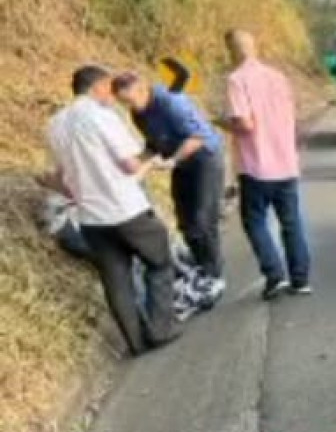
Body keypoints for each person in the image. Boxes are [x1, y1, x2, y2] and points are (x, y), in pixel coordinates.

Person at [39, 65, 179, 356]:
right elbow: (129, 165)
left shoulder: (55, 125)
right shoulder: (102, 117)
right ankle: (160, 329)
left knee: (116, 280)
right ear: (98, 87)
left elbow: (63, 179)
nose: (113, 95)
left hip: (91, 219)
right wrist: (152, 157)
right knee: (159, 261)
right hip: (125, 207)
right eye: (110, 88)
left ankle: (136, 342)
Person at [112, 72, 226, 304]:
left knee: (203, 219)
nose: (130, 106)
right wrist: (137, 163)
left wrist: (172, 160)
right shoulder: (137, 113)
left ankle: (213, 275)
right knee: (185, 221)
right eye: (123, 103)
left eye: (131, 100)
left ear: (142, 88)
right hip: (181, 162)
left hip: (204, 158)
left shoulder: (170, 102)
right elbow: (153, 145)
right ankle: (201, 267)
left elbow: (196, 137)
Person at [221, 29, 312, 300]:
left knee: (254, 222)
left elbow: (245, 124)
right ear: (254, 47)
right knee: (291, 223)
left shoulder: (237, 80)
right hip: (286, 162)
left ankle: (275, 276)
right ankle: (301, 280)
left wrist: (223, 123)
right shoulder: (278, 77)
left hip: (256, 165)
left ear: (231, 50)